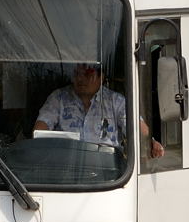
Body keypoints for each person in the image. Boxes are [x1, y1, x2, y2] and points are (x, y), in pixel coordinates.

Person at [35, 63, 163, 157]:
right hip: (65, 168)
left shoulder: (116, 101)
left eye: (87, 74)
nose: (80, 79)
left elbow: (137, 129)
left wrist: (149, 143)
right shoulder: (58, 98)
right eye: (77, 74)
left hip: (106, 173)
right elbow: (40, 129)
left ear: (101, 77)